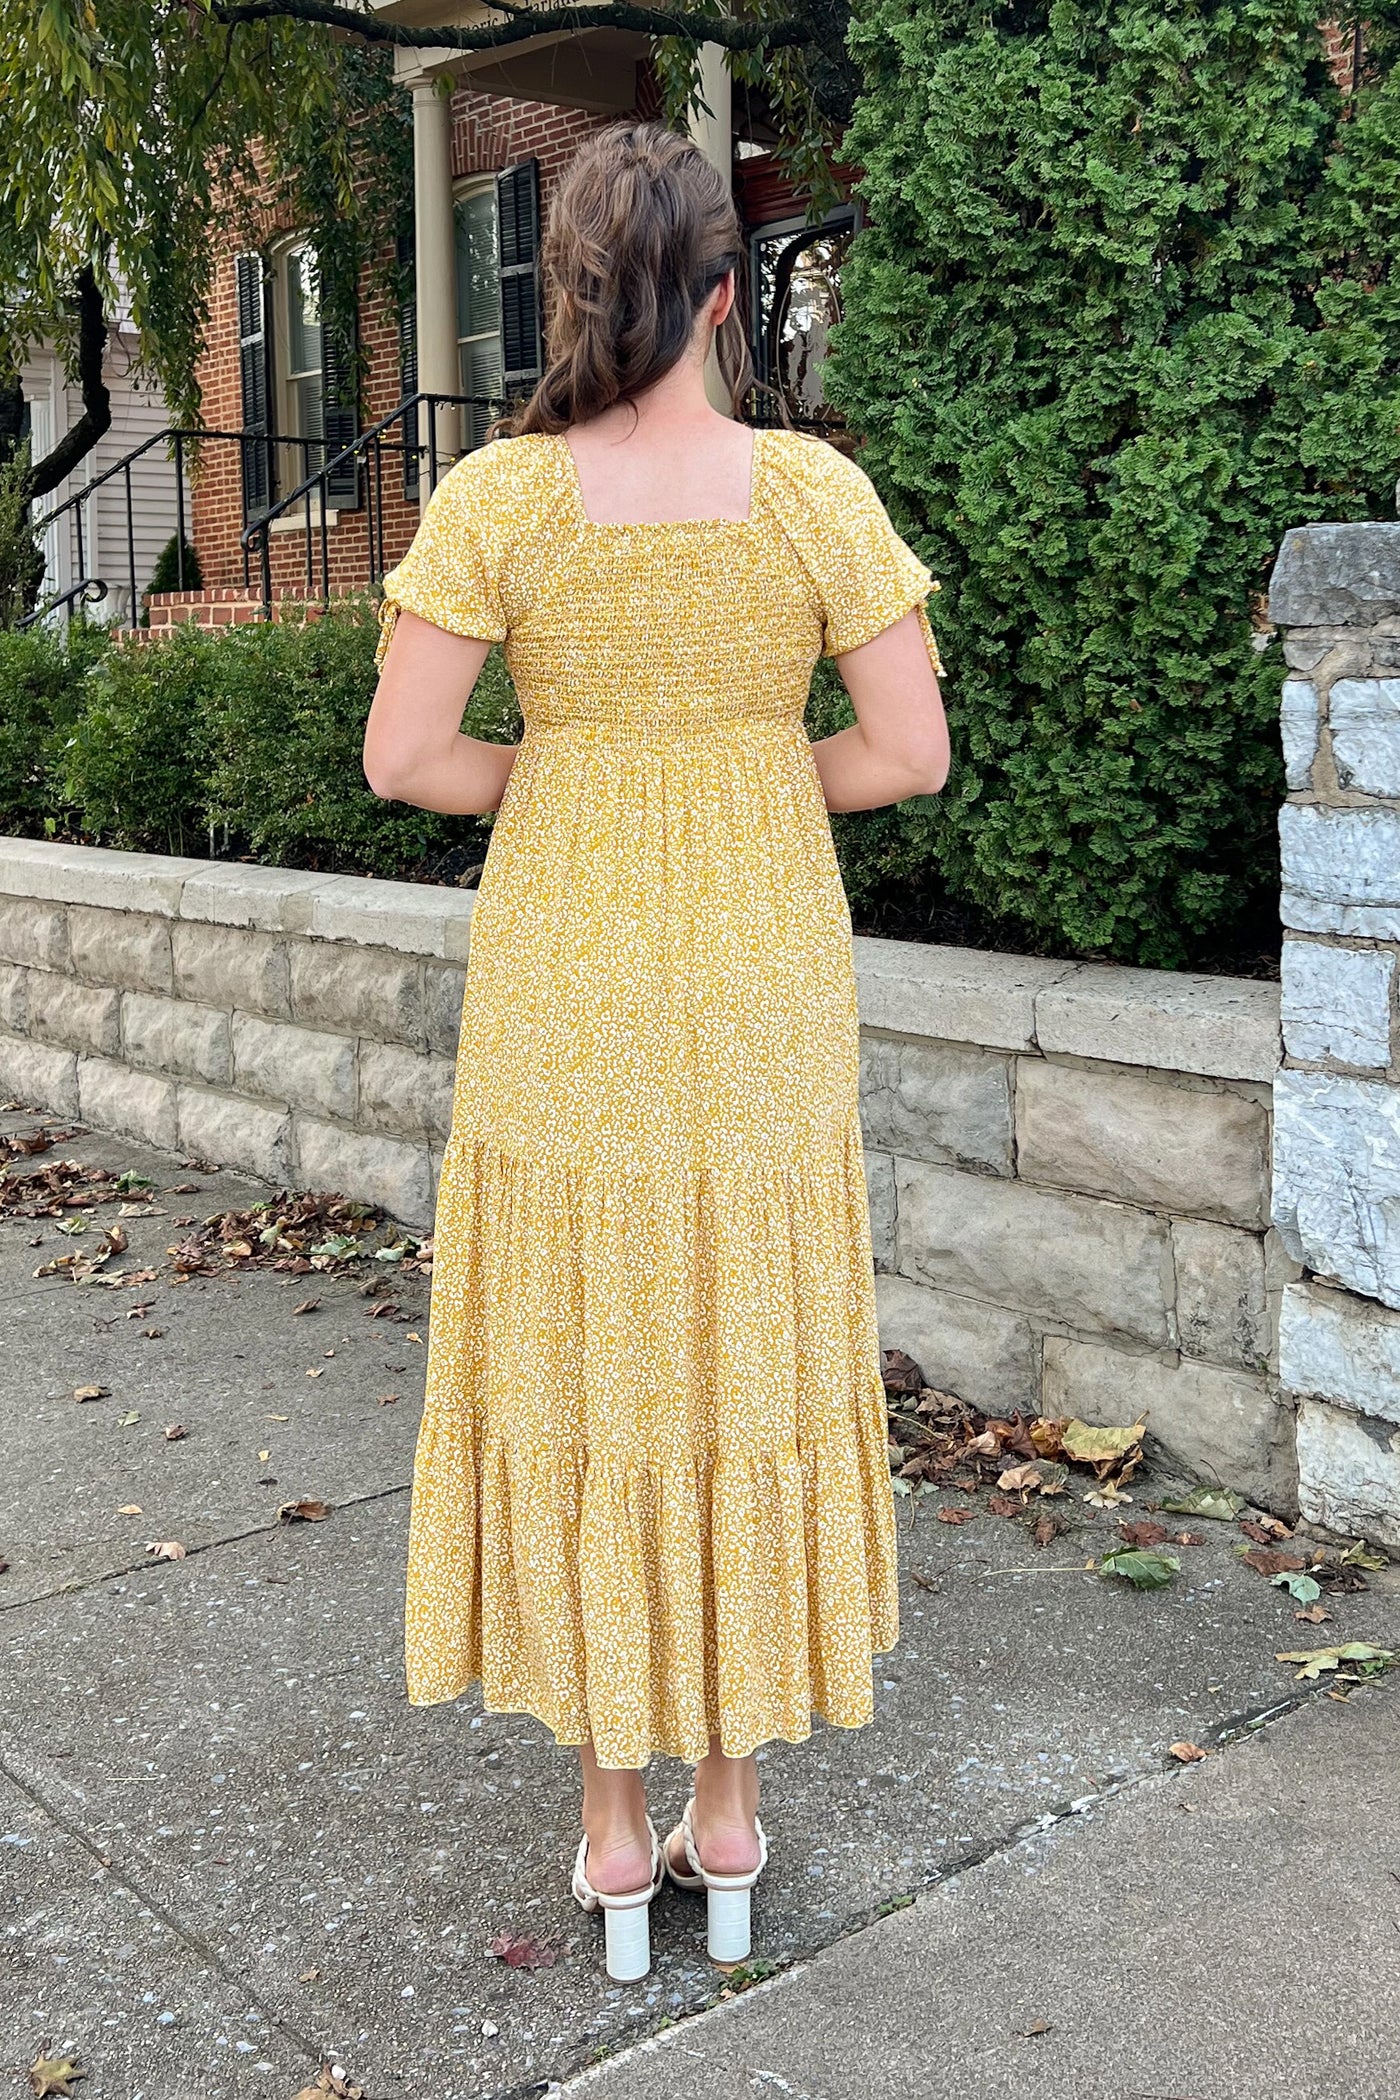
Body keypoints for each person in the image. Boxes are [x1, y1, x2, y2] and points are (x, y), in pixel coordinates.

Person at [363, 118, 949, 1984]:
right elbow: (907, 756)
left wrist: (577, 778)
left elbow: (408, 762)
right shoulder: (810, 498)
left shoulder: (503, 501)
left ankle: (613, 1834)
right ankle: (729, 1806)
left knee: (593, 1341)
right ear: (722, 289)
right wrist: (750, 775)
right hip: (760, 968)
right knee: (740, 1332)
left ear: (571, 288)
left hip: (567, 970)